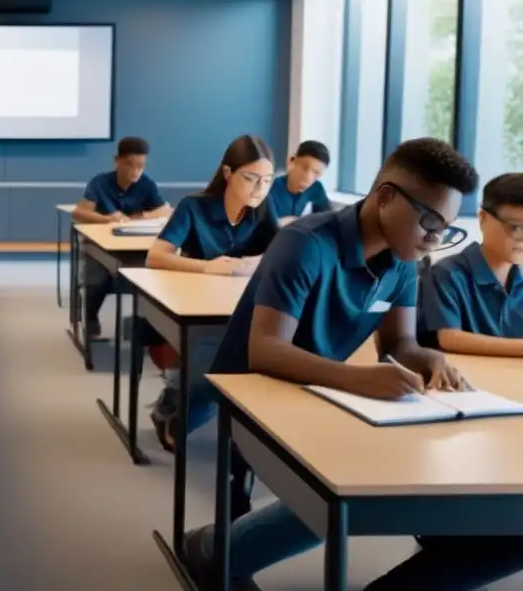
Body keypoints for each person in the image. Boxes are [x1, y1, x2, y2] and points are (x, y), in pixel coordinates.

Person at [179, 138, 523, 591]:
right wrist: (358, 379)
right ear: (385, 198)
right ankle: (216, 552)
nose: (435, 240)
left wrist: (430, 358)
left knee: (417, 458)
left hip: (322, 391)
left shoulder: (402, 261)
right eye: (430, 222)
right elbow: (264, 351)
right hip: (254, 397)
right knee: (356, 479)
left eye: (444, 228)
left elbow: (400, 342)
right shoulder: (304, 243)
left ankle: (447, 539)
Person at [144, 135, 279, 452]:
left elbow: (280, 252)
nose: (259, 189)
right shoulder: (195, 207)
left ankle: (178, 401)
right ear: (228, 173)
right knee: (212, 373)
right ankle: (174, 409)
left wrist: (251, 263)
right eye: (250, 179)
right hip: (196, 305)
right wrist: (207, 267)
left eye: (268, 181)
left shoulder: (263, 209)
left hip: (242, 304)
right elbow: (156, 256)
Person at [72, 136, 172, 339]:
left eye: (140, 166)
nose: (135, 171)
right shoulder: (100, 182)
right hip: (98, 245)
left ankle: (146, 324)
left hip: (132, 245)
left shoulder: (146, 184)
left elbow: (165, 210)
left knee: (152, 274)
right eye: (130, 165)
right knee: (96, 276)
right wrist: (106, 219)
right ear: (116, 160)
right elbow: (80, 213)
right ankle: (90, 316)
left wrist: (138, 217)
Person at [419, 172, 523, 355]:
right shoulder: (446, 274)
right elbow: (450, 339)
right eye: (515, 227)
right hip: (467, 378)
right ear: (483, 219)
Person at [268, 140, 332, 226]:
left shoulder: (317, 189)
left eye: (316, 173)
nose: (308, 178)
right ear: (292, 161)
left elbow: (328, 221)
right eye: (304, 168)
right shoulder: (271, 188)